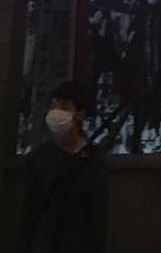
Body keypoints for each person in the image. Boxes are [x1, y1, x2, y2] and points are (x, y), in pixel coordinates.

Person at [18, 81, 107, 253]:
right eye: (53, 106)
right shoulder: (40, 157)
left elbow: (98, 218)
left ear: (80, 114)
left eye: (64, 106)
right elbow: (28, 213)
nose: (56, 112)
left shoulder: (94, 160)